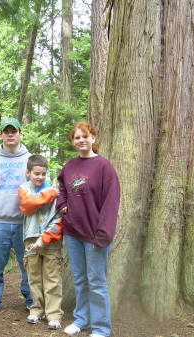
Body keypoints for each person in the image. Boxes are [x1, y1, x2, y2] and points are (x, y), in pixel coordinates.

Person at [57, 122, 120, 337]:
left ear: (93, 138)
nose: (81, 140)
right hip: (73, 232)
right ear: (73, 142)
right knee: (80, 279)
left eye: (85, 136)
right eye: (77, 137)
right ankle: (82, 319)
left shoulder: (104, 167)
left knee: (97, 281)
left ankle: (101, 327)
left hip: (95, 236)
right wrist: (62, 204)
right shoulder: (70, 166)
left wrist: (104, 233)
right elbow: (62, 188)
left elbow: (111, 202)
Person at [0, 117, 33, 315]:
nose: (10, 134)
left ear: (20, 134)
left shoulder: (30, 160)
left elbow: (39, 188)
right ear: (1, 135)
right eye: (6, 131)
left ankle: (31, 299)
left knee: (28, 264)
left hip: (25, 223)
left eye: (14, 131)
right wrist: (0, 204)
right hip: (0, 222)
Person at [18, 154, 64, 330]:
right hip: (30, 238)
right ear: (28, 172)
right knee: (34, 276)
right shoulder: (24, 189)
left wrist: (45, 237)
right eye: (36, 173)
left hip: (51, 241)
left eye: (43, 174)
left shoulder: (54, 191)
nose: (40, 177)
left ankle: (53, 314)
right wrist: (50, 194)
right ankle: (36, 309)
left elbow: (59, 218)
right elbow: (29, 205)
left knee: (52, 277)